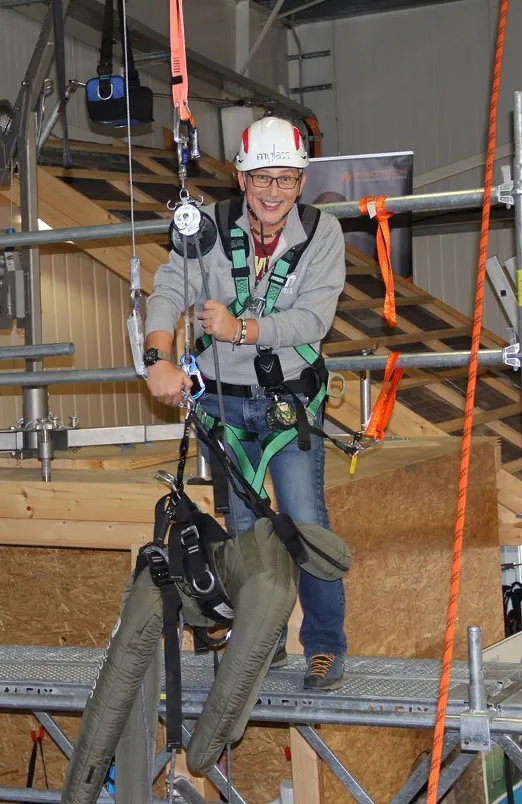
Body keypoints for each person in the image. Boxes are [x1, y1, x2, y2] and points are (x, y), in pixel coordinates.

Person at [142, 116, 347, 691]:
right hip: (225, 408)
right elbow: (170, 289)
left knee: (304, 521)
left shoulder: (320, 234)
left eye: (285, 179)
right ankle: (264, 643)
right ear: (241, 175)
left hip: (286, 405)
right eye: (262, 178)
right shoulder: (209, 225)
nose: (273, 191)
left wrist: (240, 330)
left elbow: (313, 318)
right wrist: (157, 357)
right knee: (246, 529)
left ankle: (325, 644)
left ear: (301, 180)